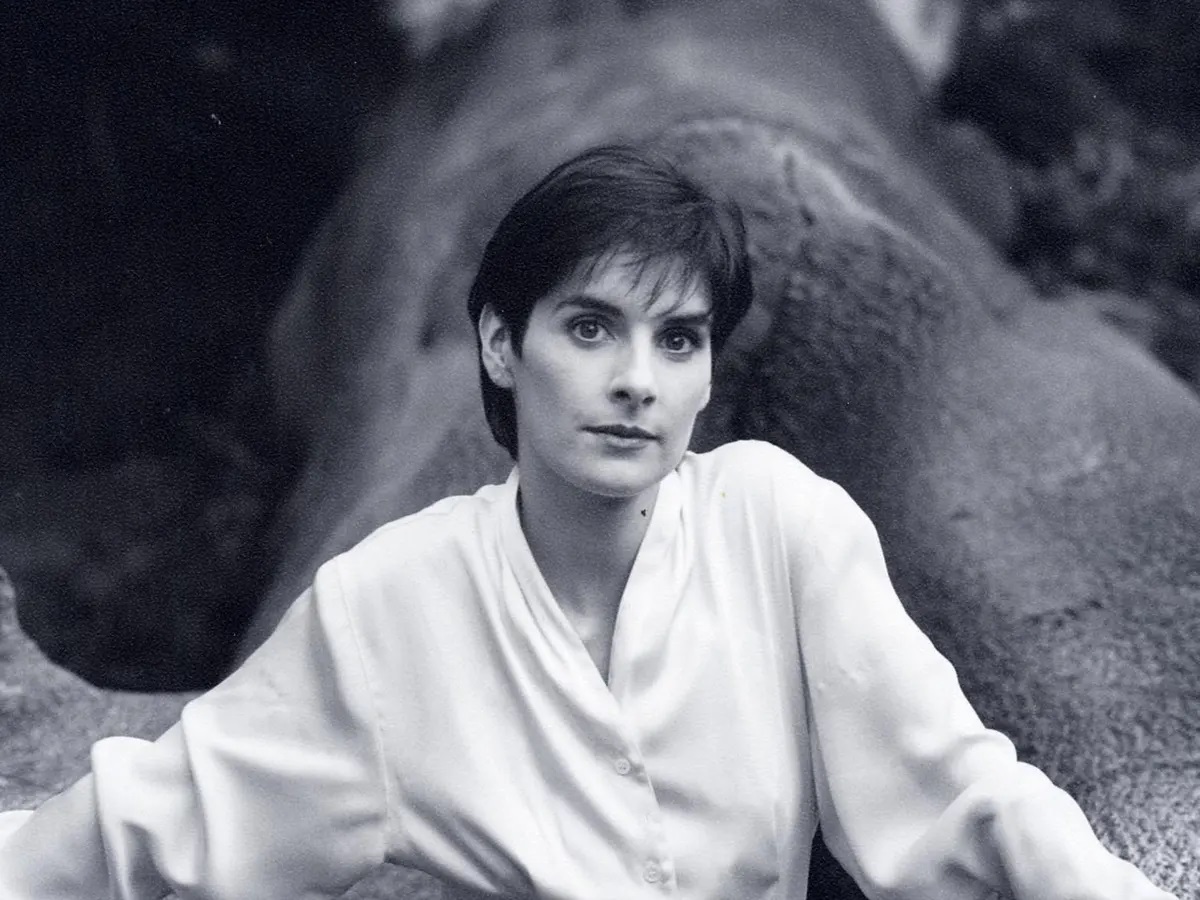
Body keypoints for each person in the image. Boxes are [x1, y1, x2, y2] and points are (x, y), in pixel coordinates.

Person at [0, 145, 1179, 900]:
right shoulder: (391, 604)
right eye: (590, 327)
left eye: (679, 339)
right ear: (500, 345)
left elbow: (961, 799)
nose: (637, 382)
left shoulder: (779, 525)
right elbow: (156, 818)